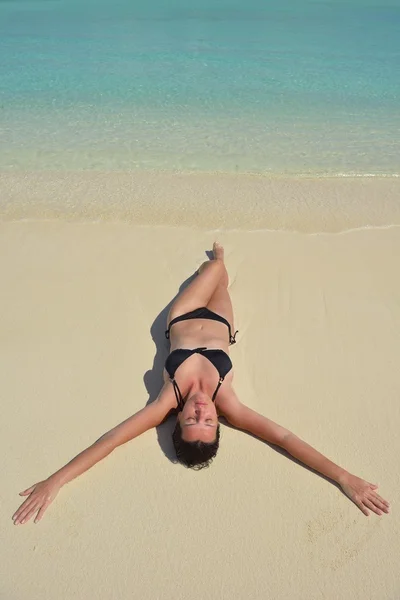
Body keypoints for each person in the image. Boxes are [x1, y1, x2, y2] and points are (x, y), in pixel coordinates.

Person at [12, 243, 390, 525]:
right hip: (223, 323)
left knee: (215, 267)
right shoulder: (228, 401)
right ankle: (217, 267)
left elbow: (110, 440)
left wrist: (55, 481)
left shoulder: (165, 400)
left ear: (178, 422)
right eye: (209, 423)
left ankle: (215, 263)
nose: (201, 413)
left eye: (193, 422)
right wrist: (344, 477)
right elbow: (286, 439)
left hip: (184, 315)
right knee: (220, 275)